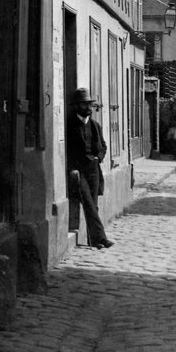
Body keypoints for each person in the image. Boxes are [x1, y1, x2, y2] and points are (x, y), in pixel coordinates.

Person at [66, 88, 114, 248]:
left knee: (93, 204)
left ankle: (93, 240)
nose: (88, 107)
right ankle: (101, 238)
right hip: (78, 171)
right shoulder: (70, 125)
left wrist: (98, 157)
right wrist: (72, 168)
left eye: (89, 104)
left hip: (93, 170)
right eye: (85, 104)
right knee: (88, 202)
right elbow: (66, 149)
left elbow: (104, 146)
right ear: (77, 106)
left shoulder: (95, 125)